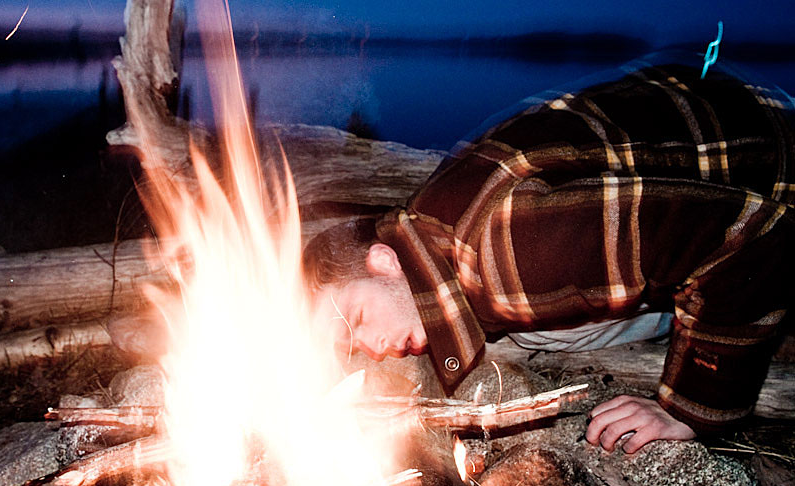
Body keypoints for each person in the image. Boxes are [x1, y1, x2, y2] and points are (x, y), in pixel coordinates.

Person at [303, 53, 795, 453]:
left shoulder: (511, 246)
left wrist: (689, 407)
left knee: (520, 309)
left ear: (385, 260)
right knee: (521, 327)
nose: (372, 348)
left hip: (773, 161)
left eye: (357, 317)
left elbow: (754, 238)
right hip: (723, 115)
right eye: (354, 344)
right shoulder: (439, 220)